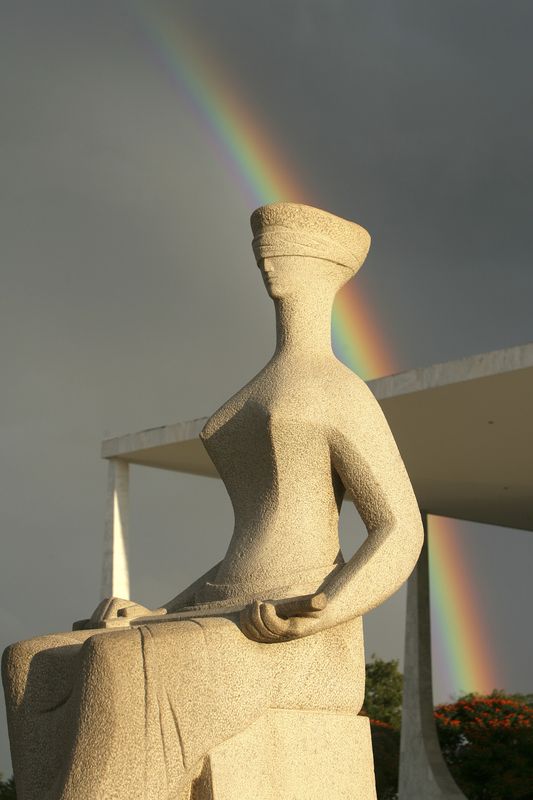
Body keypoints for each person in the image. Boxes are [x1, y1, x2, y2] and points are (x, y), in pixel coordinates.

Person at [3, 203, 423, 799]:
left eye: (286, 251)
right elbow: (247, 543)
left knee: (121, 665)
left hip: (294, 629)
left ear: (326, 269)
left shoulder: (340, 390)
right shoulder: (258, 388)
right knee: (31, 662)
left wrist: (325, 611)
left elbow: (401, 528)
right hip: (223, 608)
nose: (269, 259)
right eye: (263, 249)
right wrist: (160, 612)